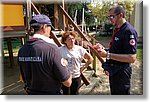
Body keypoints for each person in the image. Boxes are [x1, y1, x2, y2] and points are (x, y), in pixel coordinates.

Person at [18, 14, 72, 95]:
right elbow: (67, 82)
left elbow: (22, 78)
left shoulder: (22, 50)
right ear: (44, 27)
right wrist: (66, 66)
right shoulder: (51, 49)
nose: (50, 31)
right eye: (50, 27)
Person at [94, 5, 138, 95]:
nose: (110, 19)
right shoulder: (119, 29)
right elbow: (118, 49)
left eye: (112, 16)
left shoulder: (129, 31)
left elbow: (132, 58)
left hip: (122, 73)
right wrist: (104, 49)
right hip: (114, 71)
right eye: (109, 16)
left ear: (120, 15)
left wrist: (107, 55)